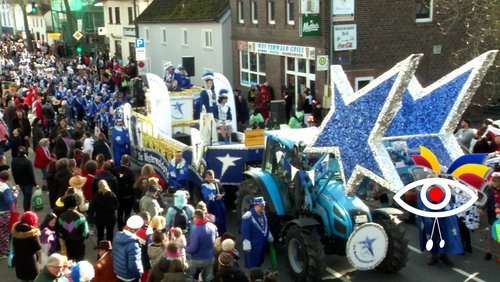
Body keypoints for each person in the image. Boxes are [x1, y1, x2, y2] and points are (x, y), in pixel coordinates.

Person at [185, 209, 218, 282]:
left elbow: (193, 249)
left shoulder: (196, 231)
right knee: (208, 278)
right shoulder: (212, 226)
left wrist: (185, 249)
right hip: (210, 258)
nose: (193, 219)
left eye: (193, 217)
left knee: (191, 277)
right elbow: (216, 238)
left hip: (197, 260)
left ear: (197, 218)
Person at [241, 197, 274, 269]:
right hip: (253, 246)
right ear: (255, 205)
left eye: (264, 206)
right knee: (253, 263)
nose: (263, 208)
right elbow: (245, 231)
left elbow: (265, 225)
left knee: (260, 261)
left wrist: (268, 234)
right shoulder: (248, 216)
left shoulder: (263, 213)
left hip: (262, 244)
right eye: (261, 206)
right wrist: (246, 243)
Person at [56, 194, 89, 261]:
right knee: (80, 263)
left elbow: (60, 234)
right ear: (77, 204)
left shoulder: (61, 217)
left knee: (70, 262)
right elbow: (85, 233)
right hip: (79, 244)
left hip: (68, 244)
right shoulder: (81, 217)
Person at [113, 215, 144, 282]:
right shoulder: (134, 245)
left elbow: (114, 255)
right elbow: (133, 266)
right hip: (129, 277)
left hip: (118, 273)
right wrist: (139, 274)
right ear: (139, 229)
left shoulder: (117, 236)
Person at [12, 211, 42, 281]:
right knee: (32, 279)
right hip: (30, 262)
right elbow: (38, 247)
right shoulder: (33, 233)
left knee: (23, 279)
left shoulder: (16, 229)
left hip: (19, 260)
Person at [113, 154, 136, 230]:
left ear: (121, 161)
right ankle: (126, 227)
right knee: (127, 213)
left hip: (118, 196)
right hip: (128, 197)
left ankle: (120, 228)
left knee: (119, 212)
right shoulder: (131, 172)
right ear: (128, 162)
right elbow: (133, 185)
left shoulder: (115, 170)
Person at [11, 145, 37, 211]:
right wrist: (34, 183)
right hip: (28, 182)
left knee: (25, 195)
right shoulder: (28, 162)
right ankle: (27, 210)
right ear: (25, 152)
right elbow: (31, 174)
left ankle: (26, 210)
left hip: (20, 182)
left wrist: (16, 182)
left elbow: (13, 173)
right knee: (27, 197)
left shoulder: (13, 161)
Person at [201, 169, 227, 234]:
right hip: (211, 206)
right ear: (206, 177)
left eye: (212, 177)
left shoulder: (217, 182)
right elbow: (206, 196)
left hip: (220, 206)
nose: (211, 179)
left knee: (222, 221)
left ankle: (223, 233)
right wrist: (215, 197)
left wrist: (221, 195)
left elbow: (223, 191)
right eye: (209, 177)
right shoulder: (204, 185)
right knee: (213, 221)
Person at [483, 172, 500, 261]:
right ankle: (489, 252)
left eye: (495, 181)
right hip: (492, 216)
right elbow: (485, 200)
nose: (493, 182)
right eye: (492, 180)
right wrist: (482, 209)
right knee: (490, 235)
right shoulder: (489, 190)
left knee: (498, 236)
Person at [0, 171, 17, 257]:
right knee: (4, 233)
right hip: (3, 213)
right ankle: (4, 252)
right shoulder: (4, 187)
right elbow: (9, 201)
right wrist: (15, 195)